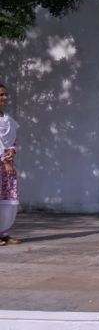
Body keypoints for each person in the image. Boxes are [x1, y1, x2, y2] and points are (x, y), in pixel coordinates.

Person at [0, 83, 20, 246]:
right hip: (3, 162)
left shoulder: (8, 120)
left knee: (7, 199)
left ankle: (2, 232)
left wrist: (11, 154)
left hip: (7, 163)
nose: (5, 98)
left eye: (5, 94)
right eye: (1, 95)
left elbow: (12, 141)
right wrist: (6, 161)